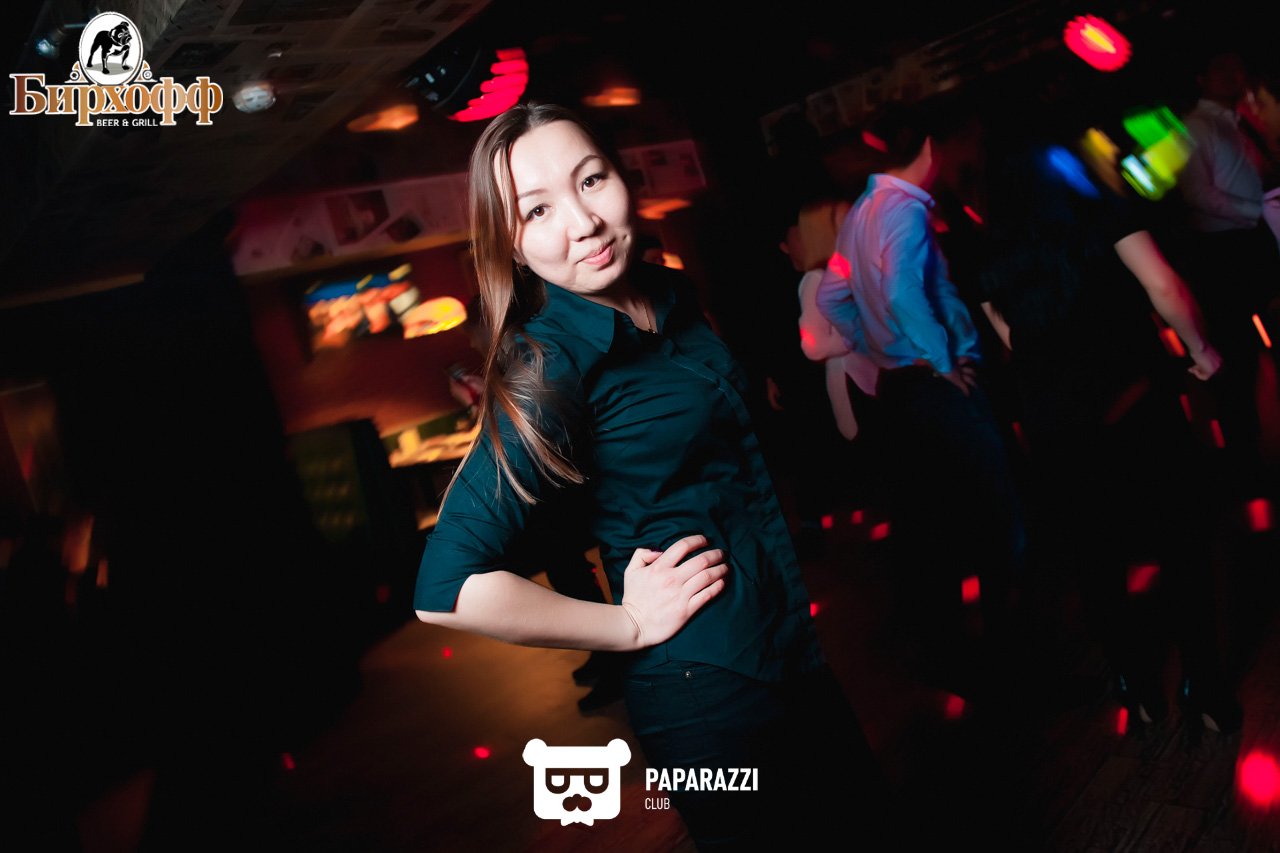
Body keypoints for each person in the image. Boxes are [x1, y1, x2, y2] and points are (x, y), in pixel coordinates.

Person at [413, 102, 889, 849]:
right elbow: (445, 589)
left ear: (622, 176)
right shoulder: (547, 364)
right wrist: (624, 625)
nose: (583, 222)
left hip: (785, 641)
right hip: (704, 696)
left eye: (590, 180)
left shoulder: (669, 293)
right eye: (537, 209)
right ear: (511, 243)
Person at [979, 137, 1240, 734]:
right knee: (1181, 543)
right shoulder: (1100, 214)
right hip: (1132, 403)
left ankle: (1136, 687)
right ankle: (1204, 688)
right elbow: (1164, 286)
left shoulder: (990, 249)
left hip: (1057, 426)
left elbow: (1013, 341)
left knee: (1096, 560)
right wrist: (1201, 350)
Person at [815, 102, 1025, 699]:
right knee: (1000, 524)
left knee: (940, 528)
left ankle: (961, 663)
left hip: (903, 391)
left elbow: (832, 297)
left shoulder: (862, 212)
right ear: (932, 147)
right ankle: (1011, 664)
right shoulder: (904, 210)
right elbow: (905, 292)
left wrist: (877, 346)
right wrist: (940, 359)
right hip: (938, 387)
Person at [1177, 49, 1280, 495]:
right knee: (1238, 357)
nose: (1232, 74)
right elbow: (1198, 194)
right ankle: (1248, 466)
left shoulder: (1244, 119)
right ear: (1201, 77)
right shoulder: (1193, 127)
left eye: (1236, 66)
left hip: (1256, 239)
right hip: (1224, 252)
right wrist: (1258, 211)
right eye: (1221, 68)